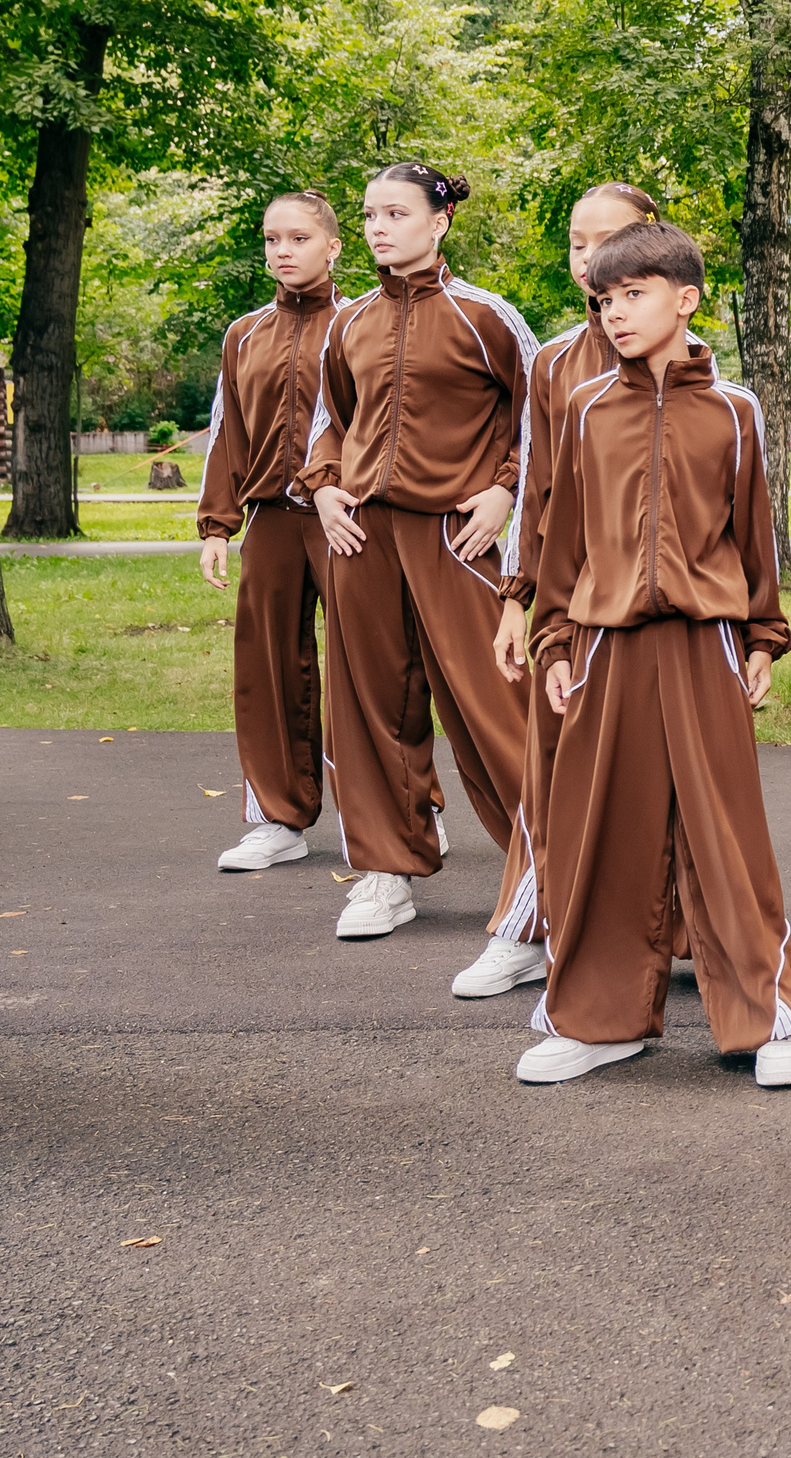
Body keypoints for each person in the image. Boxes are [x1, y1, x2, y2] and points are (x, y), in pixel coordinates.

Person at [519, 220, 791, 1087]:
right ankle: (600, 1020)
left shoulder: (736, 410)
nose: (614, 312)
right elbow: (561, 540)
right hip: (605, 645)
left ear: (685, 300)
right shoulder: (584, 409)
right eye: (603, 299)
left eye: (633, 294)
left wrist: (764, 636)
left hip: (707, 642)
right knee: (602, 831)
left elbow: (753, 534)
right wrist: (555, 640)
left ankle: (770, 1022)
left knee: (725, 835)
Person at [299, 162, 535, 941]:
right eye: (369, 214)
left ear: (439, 223)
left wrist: (506, 491)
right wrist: (326, 485)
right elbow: (333, 420)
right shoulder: (350, 320)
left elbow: (544, 421)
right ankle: (385, 869)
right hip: (360, 536)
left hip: (455, 537)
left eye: (395, 213)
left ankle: (549, 868)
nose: (376, 227)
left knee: (495, 707)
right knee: (370, 707)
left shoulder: (485, 316)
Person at [453, 181, 668, 1000]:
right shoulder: (552, 362)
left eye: (607, 241)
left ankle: (670, 934)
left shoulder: (692, 364)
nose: (589, 259)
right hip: (570, 612)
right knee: (552, 768)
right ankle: (525, 924)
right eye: (578, 243)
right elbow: (537, 492)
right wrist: (517, 601)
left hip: (670, 615)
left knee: (669, 781)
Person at [196, 193, 349, 871]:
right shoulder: (244, 333)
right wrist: (215, 526)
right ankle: (276, 817)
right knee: (267, 668)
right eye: (271, 239)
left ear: (333, 246)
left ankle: (390, 813)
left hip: (347, 522)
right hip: (270, 522)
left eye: (297, 237)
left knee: (366, 669)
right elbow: (226, 433)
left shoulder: (361, 323)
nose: (282, 250)